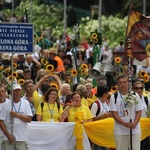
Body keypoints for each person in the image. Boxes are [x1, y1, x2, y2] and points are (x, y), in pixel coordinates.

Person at [109, 73, 143, 150]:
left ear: (128, 82)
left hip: (135, 130)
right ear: (117, 84)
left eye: (124, 82)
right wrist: (125, 124)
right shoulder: (114, 97)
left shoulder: (134, 95)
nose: (123, 84)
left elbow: (138, 111)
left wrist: (134, 123)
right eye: (120, 83)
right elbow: (114, 114)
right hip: (120, 131)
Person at [0, 84, 32, 150]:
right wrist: (8, 136)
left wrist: (17, 115)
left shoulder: (26, 103)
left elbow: (29, 119)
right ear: (11, 92)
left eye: (18, 90)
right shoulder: (5, 104)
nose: (16, 92)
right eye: (14, 90)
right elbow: (1, 122)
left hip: (21, 137)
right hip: (8, 137)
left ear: (21, 91)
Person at [90, 85, 111, 150]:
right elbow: (92, 119)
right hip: (97, 131)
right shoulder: (95, 104)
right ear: (104, 94)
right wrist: (103, 116)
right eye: (108, 92)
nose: (108, 94)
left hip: (104, 130)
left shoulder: (106, 102)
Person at [132, 80, 150, 150]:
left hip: (144, 128)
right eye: (136, 88)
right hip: (134, 127)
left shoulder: (147, 99)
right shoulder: (129, 99)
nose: (139, 90)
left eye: (141, 88)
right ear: (133, 89)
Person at [0, 84, 10, 150]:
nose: (1, 94)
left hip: (7, 136)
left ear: (5, 91)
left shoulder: (10, 103)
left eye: (2, 91)